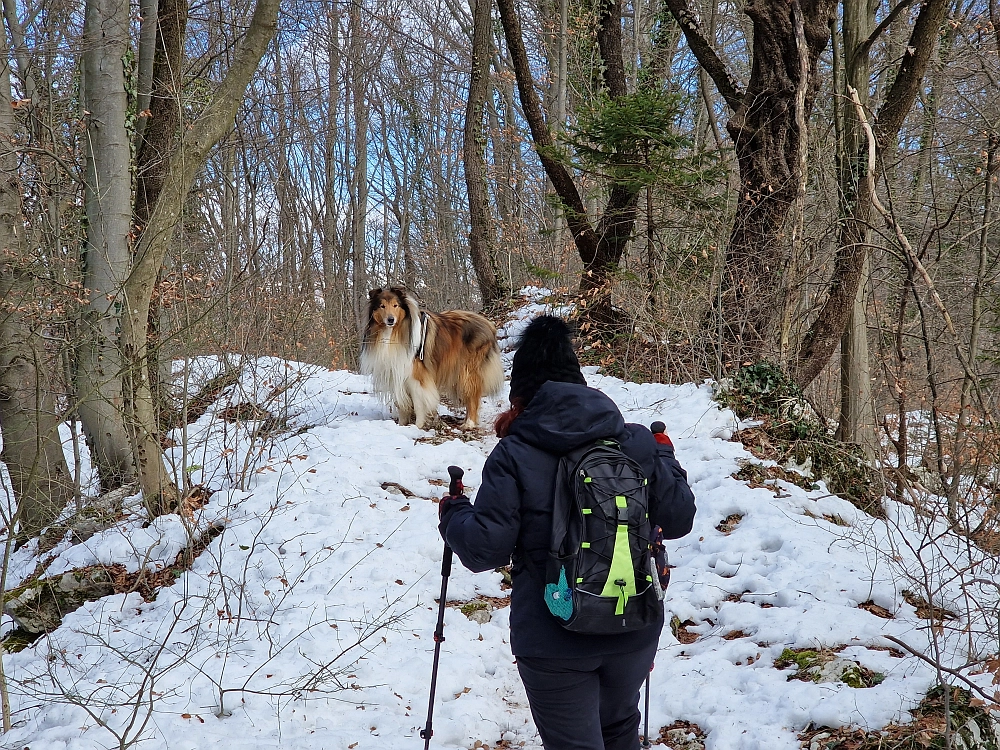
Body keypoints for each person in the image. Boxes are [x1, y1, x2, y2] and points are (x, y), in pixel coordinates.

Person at [438, 315, 696, 750]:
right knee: (618, 732)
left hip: (553, 639)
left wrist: (453, 513)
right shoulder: (636, 443)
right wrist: (665, 460)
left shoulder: (515, 452)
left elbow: (484, 549)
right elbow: (680, 518)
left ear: (520, 398)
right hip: (632, 626)